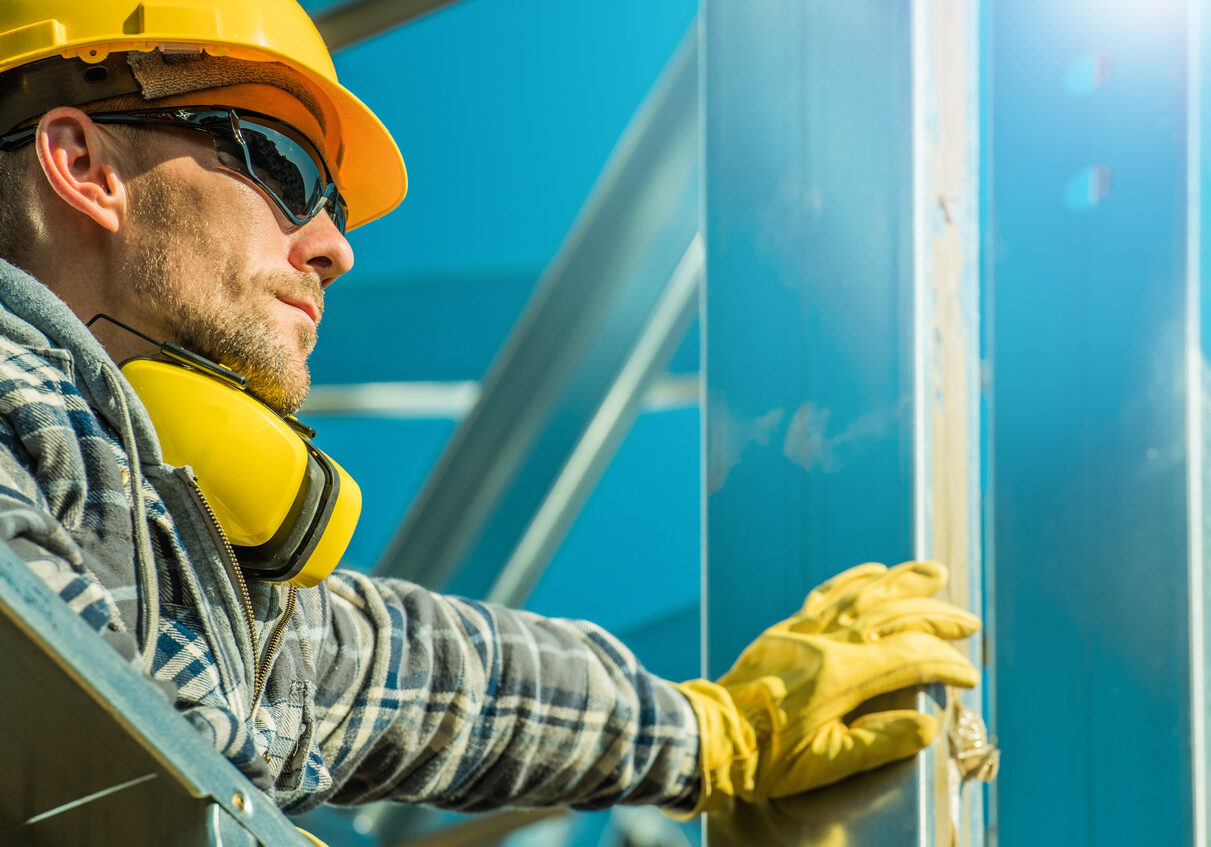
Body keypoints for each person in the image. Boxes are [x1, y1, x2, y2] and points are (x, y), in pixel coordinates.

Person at [0, 0, 982, 823]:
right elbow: (104, 711)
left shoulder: (161, 565)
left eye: (333, 204)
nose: (334, 246)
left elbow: (415, 674)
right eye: (282, 168)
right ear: (86, 166)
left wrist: (721, 732)